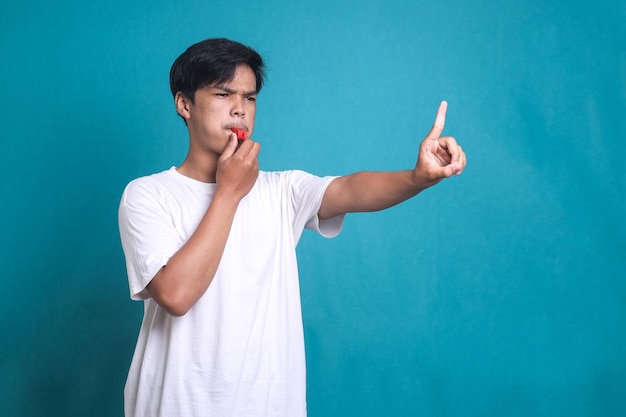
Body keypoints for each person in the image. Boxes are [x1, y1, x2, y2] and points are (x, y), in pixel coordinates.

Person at [118, 37, 466, 417]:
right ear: (184, 104)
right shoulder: (148, 195)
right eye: (223, 94)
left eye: (249, 98)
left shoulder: (281, 190)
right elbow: (177, 295)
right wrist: (229, 193)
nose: (239, 110)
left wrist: (418, 177)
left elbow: (349, 189)